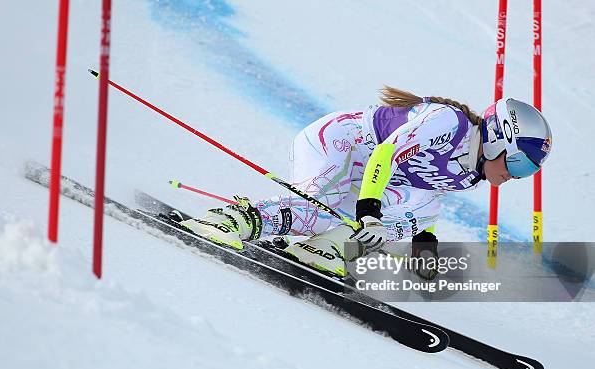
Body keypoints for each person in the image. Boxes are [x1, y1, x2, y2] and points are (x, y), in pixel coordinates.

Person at [170, 87, 553, 278]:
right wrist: (368, 212)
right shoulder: (447, 122)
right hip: (342, 142)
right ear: (500, 139)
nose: (513, 177)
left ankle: (329, 247)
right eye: (518, 164)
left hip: (369, 170)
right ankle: (229, 220)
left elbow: (425, 195)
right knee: (322, 209)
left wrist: (424, 242)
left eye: (527, 173)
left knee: (420, 212)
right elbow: (385, 154)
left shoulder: (471, 172)